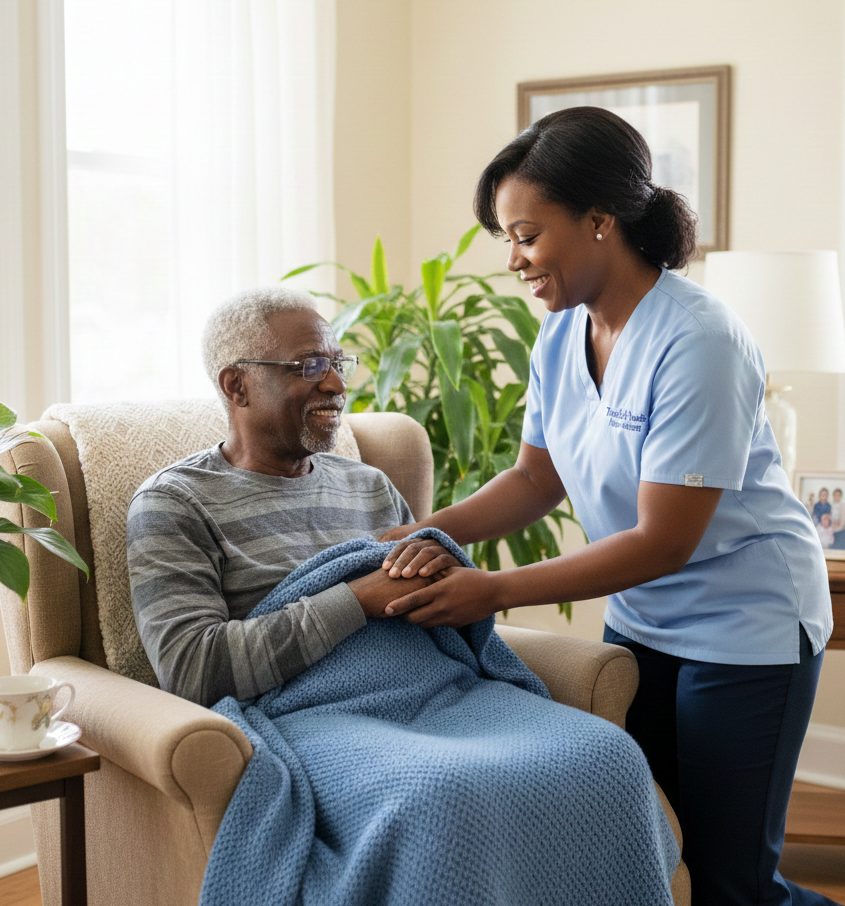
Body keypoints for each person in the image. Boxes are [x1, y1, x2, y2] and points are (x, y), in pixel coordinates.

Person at [379, 107, 834, 906]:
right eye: (506, 240)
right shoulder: (560, 334)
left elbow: (664, 541)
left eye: (526, 234)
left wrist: (490, 590)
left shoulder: (697, 339)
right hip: (641, 620)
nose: (515, 260)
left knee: (729, 883)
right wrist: (423, 529)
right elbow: (532, 480)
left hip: (743, 622)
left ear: (599, 221)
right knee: (654, 856)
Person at [127, 287, 458, 707]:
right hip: (320, 718)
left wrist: (439, 575)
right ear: (237, 385)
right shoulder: (175, 503)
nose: (337, 384)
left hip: (435, 696)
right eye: (311, 365)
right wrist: (357, 600)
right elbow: (192, 670)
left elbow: (429, 619)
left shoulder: (371, 485)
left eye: (337, 364)